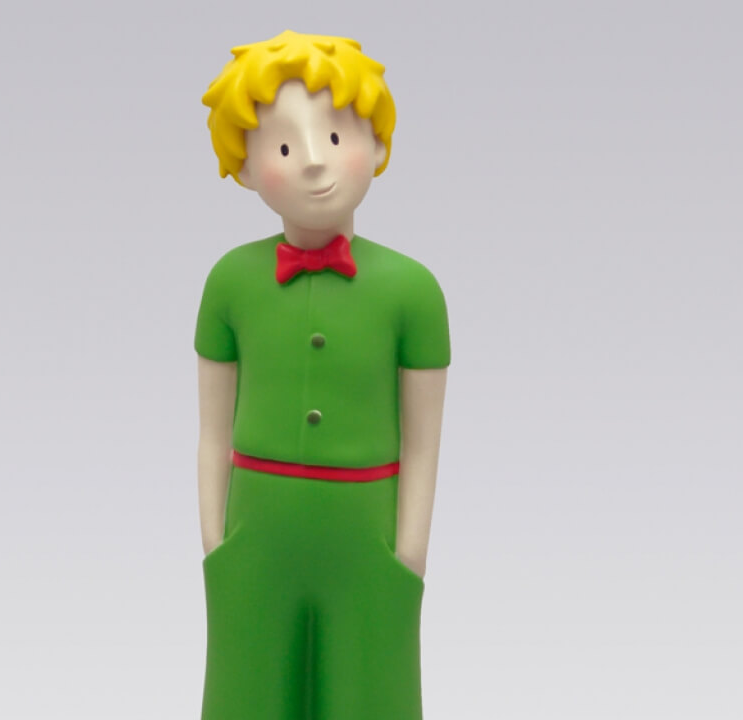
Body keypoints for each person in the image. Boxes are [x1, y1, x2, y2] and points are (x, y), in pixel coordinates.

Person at [194, 29, 450, 720]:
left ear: (380, 147)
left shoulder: (413, 292)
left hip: (367, 537)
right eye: (283, 147)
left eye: (336, 137)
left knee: (371, 695)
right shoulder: (228, 283)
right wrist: (216, 542)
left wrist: (410, 553)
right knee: (246, 695)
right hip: (255, 535)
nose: (313, 161)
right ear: (245, 167)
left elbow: (424, 441)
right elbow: (212, 430)